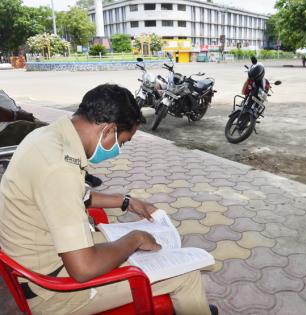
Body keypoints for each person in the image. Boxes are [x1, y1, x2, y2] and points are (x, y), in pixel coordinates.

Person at [0, 84, 217, 315]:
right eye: (121, 142)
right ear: (109, 129)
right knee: (186, 274)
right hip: (56, 291)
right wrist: (134, 239)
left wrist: (127, 201)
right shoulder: (59, 169)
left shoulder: (47, 136)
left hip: (42, 256)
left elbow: (71, 197)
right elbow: (83, 269)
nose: (118, 149)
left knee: (138, 240)